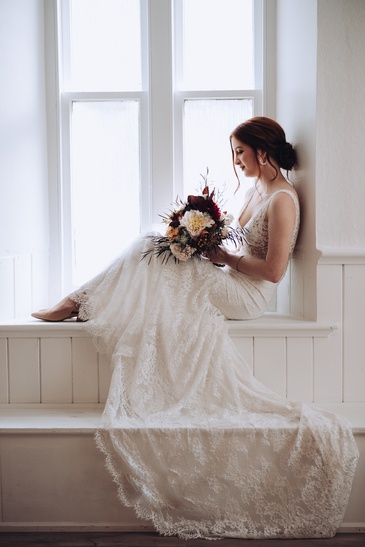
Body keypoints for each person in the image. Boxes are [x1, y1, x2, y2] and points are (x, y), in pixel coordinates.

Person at [31, 117, 358, 540]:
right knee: (158, 243)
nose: (236, 160)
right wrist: (197, 240)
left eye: (240, 152)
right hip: (229, 277)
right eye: (234, 152)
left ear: (263, 151)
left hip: (249, 294)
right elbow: (233, 244)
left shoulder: (283, 199)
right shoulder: (256, 189)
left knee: (153, 247)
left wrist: (223, 259)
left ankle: (77, 303)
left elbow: (274, 272)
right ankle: (82, 301)